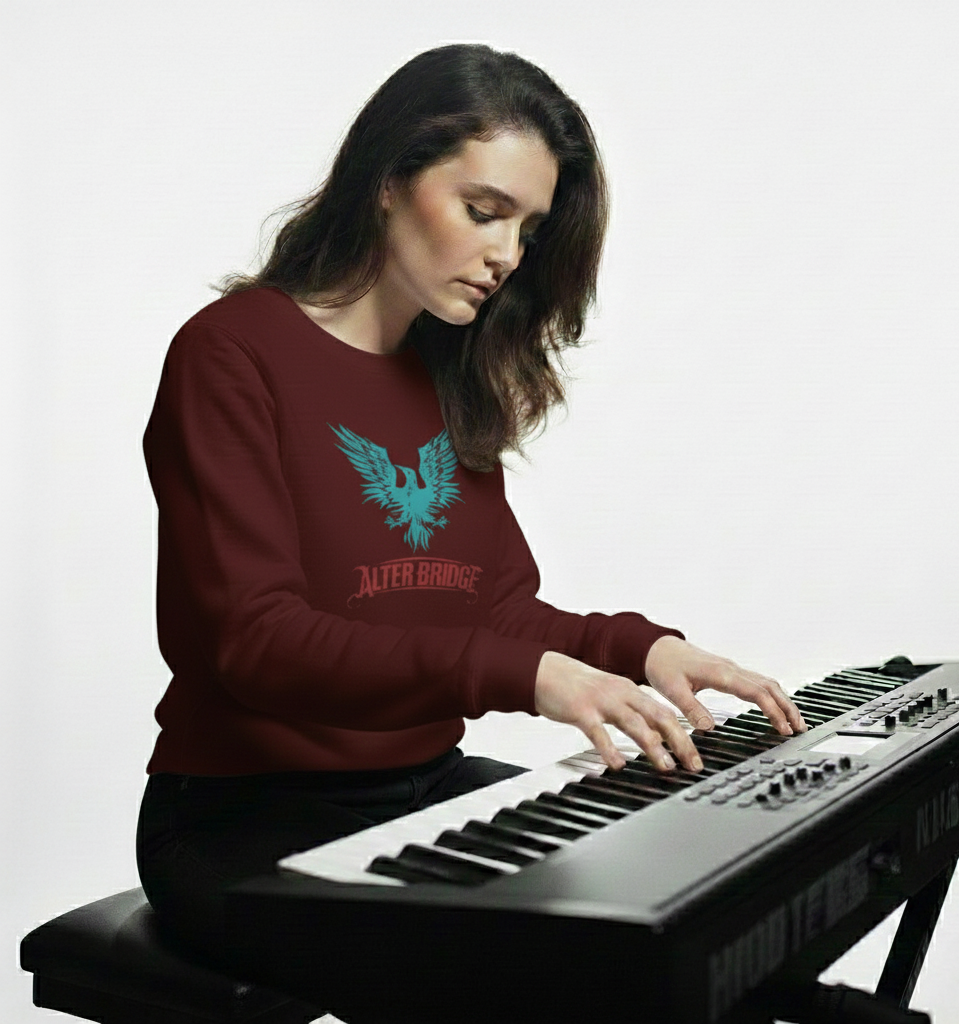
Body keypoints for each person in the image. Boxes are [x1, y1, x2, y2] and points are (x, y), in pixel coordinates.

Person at [136, 41, 805, 985]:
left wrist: (640, 649)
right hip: (245, 816)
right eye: (483, 212)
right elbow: (256, 640)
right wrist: (527, 676)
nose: (506, 256)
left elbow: (492, 610)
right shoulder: (232, 353)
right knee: (553, 975)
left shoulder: (446, 372)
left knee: (683, 895)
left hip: (425, 791)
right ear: (386, 180)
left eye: (527, 229)